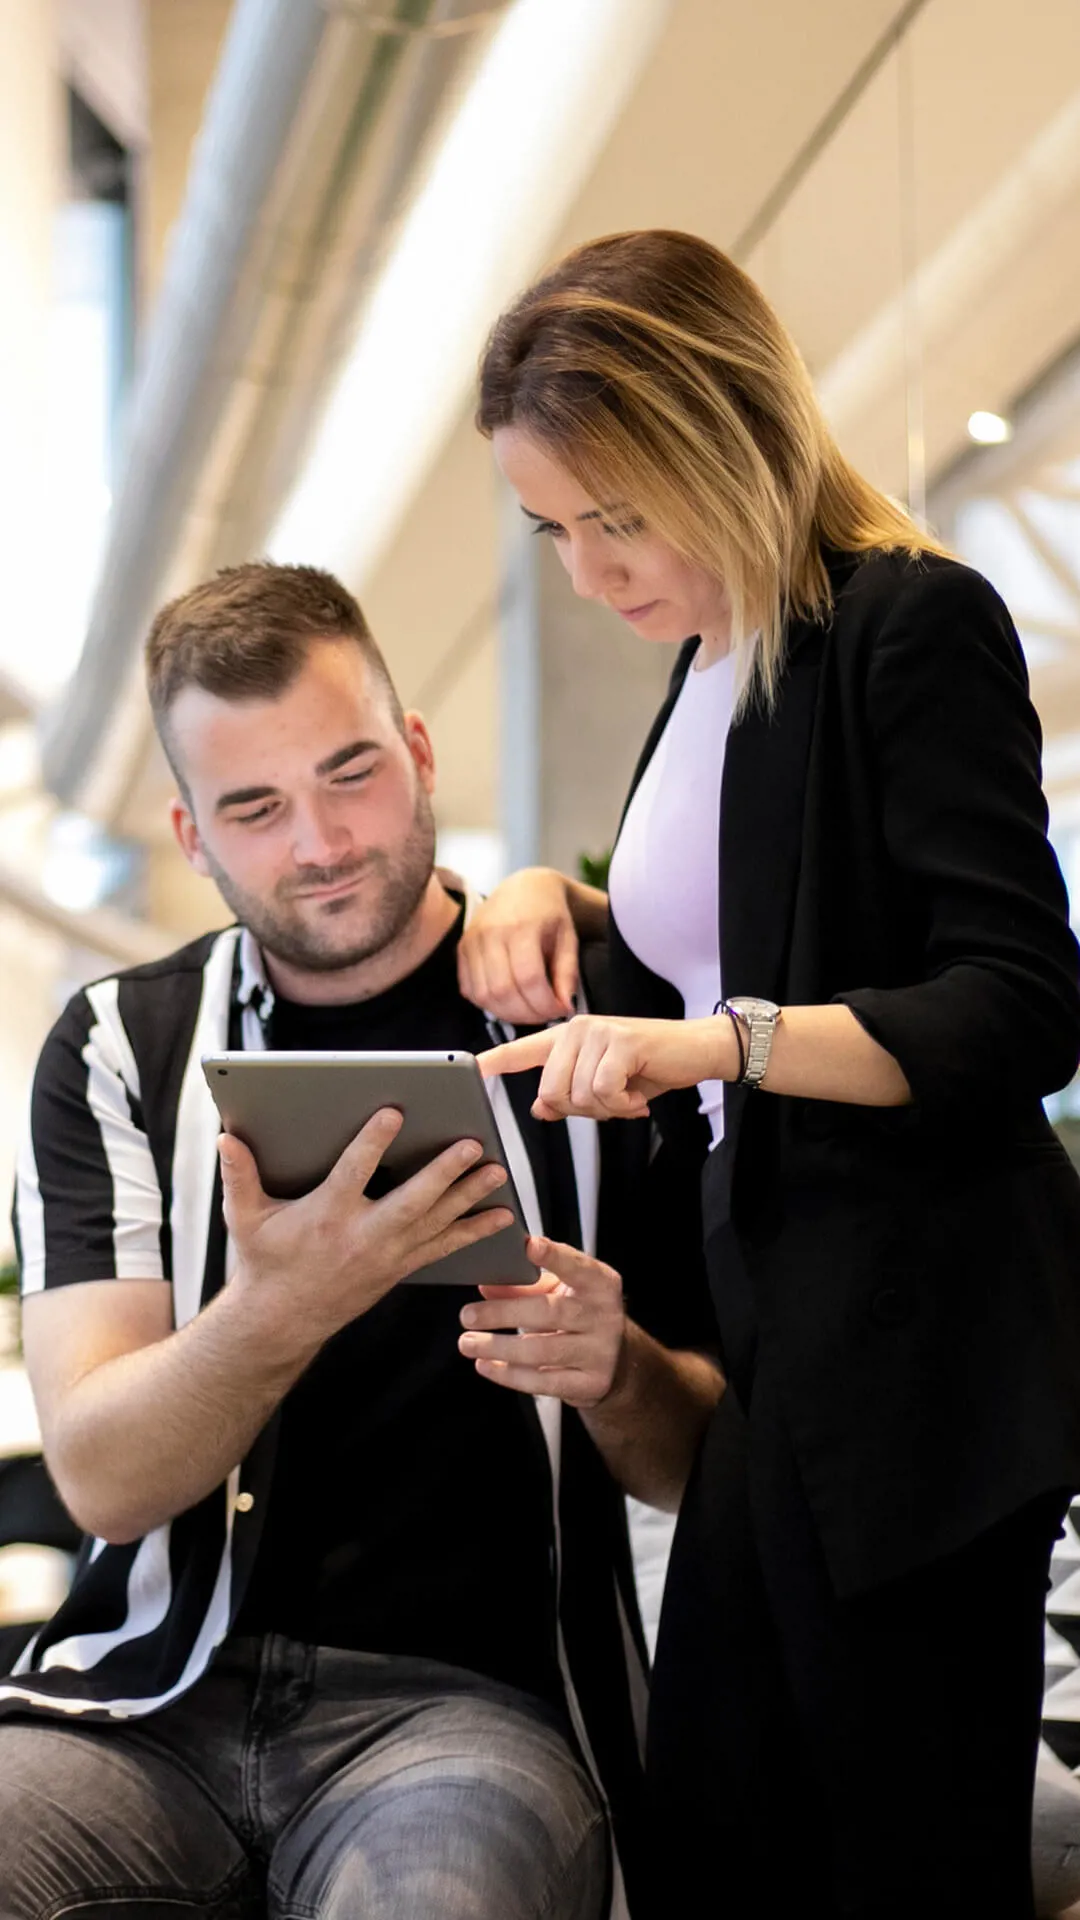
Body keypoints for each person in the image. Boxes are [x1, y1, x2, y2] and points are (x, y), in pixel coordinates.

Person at [457, 228, 1080, 1920]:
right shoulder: (715, 659)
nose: (588, 572)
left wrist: (711, 1045)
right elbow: (731, 931)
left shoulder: (908, 622)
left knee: (890, 1861)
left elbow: (1020, 1001)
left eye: (617, 517)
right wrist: (554, 901)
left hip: (921, 1362)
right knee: (724, 1836)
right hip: (781, 1346)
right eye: (553, 531)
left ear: (725, 440)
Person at [1, 562, 720, 1920]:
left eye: (352, 774)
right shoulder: (120, 1046)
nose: (321, 842)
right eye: (256, 809)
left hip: (473, 1715)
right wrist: (284, 1305)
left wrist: (616, 1367)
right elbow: (102, 1479)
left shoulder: (604, 1015)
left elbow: (708, 1457)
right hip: (136, 1702)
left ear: (421, 750)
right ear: (191, 832)